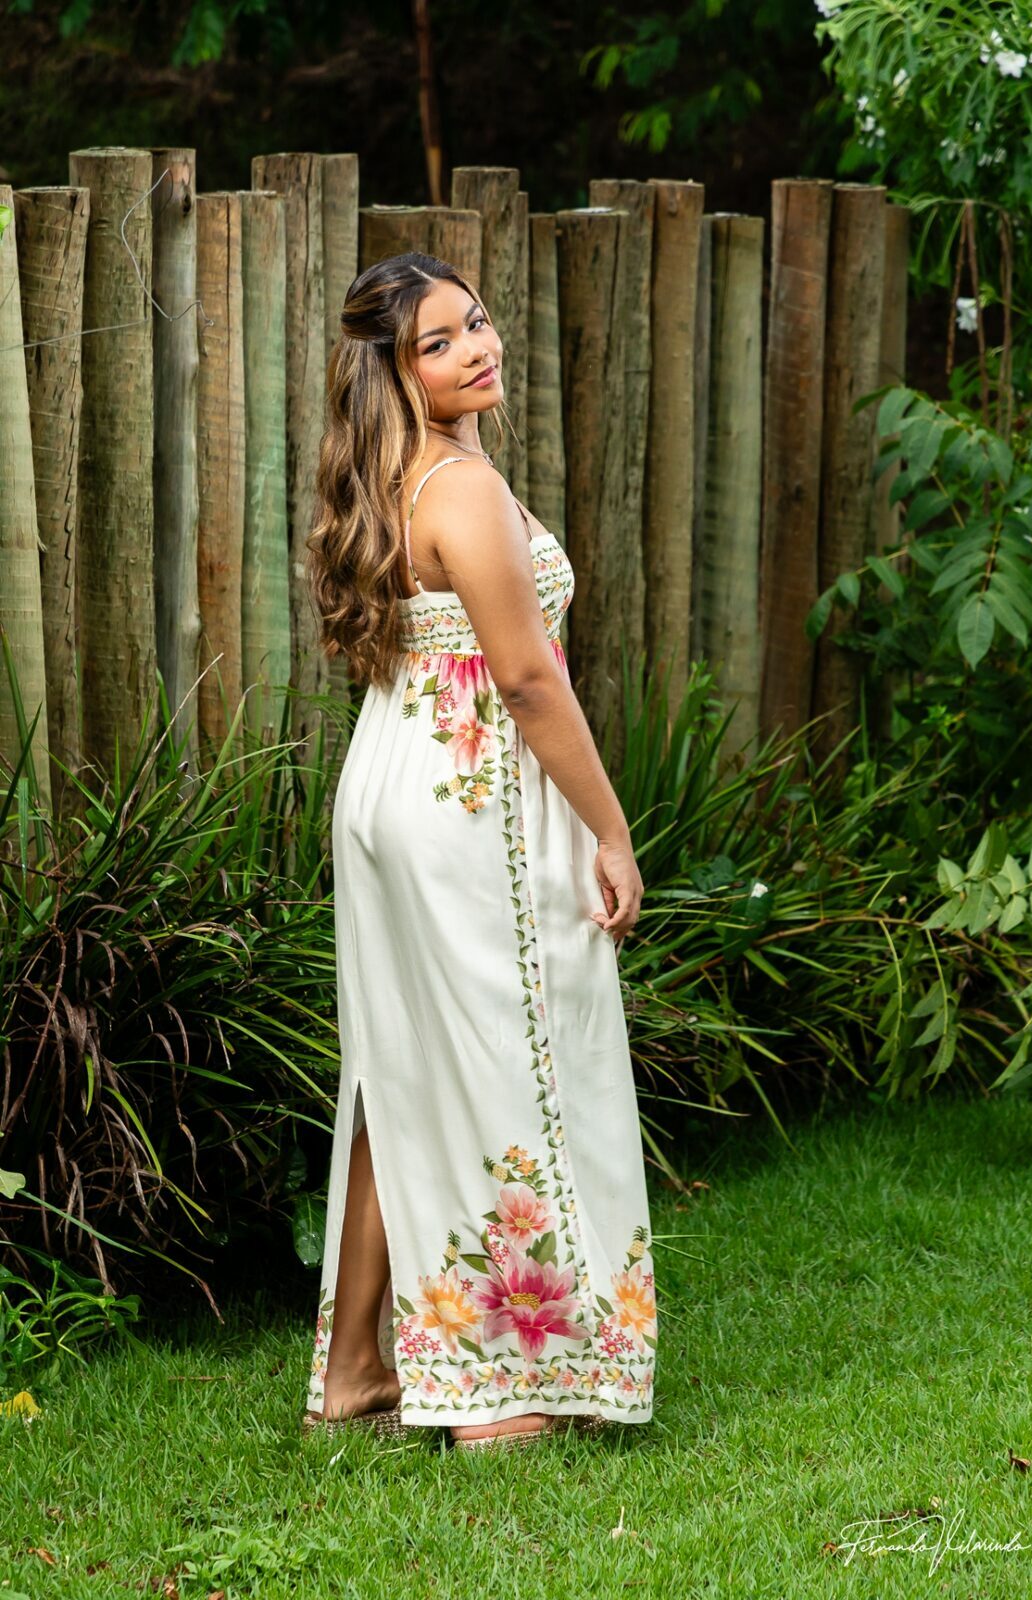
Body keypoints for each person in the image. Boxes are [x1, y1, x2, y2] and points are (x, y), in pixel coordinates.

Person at [301, 251, 657, 1452]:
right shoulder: (460, 486)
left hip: (391, 779)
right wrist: (609, 827)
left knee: (397, 1069)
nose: (478, 348)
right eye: (441, 341)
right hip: (470, 802)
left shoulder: (389, 476)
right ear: (397, 370)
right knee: (507, 1060)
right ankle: (498, 1388)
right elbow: (525, 678)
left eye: (480, 323)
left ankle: (357, 1370)